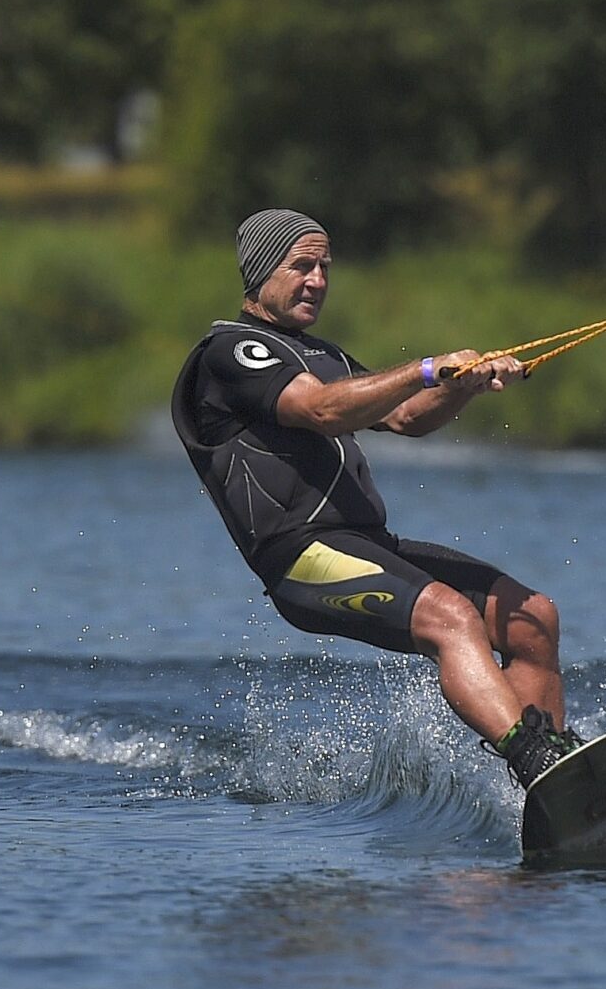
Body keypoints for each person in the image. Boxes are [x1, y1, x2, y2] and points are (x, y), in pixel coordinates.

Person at [171, 208, 582, 788]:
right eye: (301, 265)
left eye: (324, 267)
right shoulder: (233, 353)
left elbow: (408, 416)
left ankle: (560, 774)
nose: (317, 279)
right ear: (262, 271)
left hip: (368, 545)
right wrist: (425, 368)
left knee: (532, 618)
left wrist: (461, 384)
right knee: (452, 617)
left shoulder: (326, 357)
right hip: (301, 558)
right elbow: (321, 409)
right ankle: (535, 758)